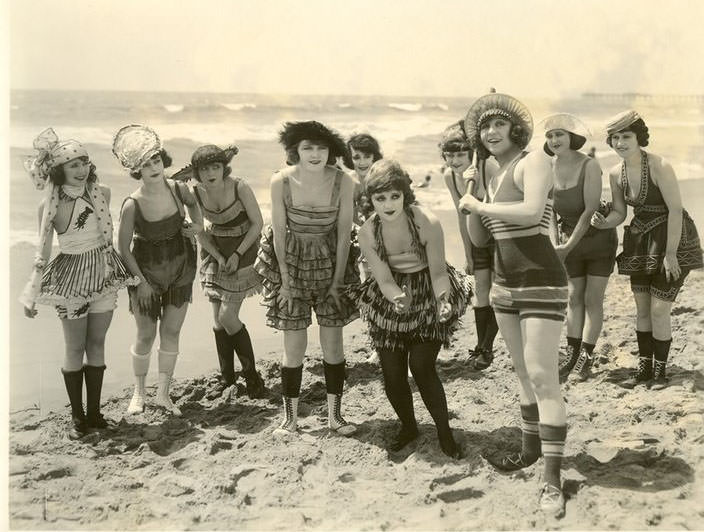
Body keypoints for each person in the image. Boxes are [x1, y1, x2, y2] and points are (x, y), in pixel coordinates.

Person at [459, 92, 569, 518]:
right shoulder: (490, 173)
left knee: (544, 376)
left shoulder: (532, 160)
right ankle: (528, 452)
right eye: (485, 127)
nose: (490, 132)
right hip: (503, 282)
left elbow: (530, 211)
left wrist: (480, 203)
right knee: (522, 372)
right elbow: (481, 237)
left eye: (499, 125)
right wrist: (468, 200)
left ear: (515, 129)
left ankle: (553, 482)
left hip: (541, 278)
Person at [20, 128, 138, 439]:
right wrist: (31, 293)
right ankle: (78, 417)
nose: (82, 169)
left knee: (96, 344)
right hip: (70, 278)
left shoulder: (103, 193)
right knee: (75, 346)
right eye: (73, 164)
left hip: (102, 273)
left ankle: (96, 414)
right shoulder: (49, 206)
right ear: (59, 171)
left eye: (85, 162)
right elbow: (43, 249)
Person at [355, 159, 472, 458]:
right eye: (380, 198)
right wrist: (396, 297)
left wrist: (443, 302)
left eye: (395, 196)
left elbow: (438, 273)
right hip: (391, 292)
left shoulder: (425, 221)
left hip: (429, 288)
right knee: (392, 373)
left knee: (421, 366)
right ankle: (409, 426)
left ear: (406, 194)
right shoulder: (368, 232)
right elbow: (381, 278)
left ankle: (445, 433)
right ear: (371, 201)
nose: (389, 203)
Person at [254, 121, 360, 436]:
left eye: (321, 148)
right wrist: (285, 281)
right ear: (295, 151)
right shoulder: (281, 181)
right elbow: (279, 236)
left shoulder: (345, 181)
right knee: (294, 346)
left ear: (331, 152)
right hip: (291, 262)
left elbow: (344, 236)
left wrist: (338, 281)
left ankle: (335, 418)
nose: (315, 154)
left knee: (333, 346)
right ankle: (290, 420)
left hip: (332, 261)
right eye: (307, 148)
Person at [592, 110, 703, 390]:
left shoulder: (659, 165)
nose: (620, 143)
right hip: (641, 242)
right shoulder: (616, 173)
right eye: (615, 138)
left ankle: (660, 373)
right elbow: (619, 212)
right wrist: (604, 223)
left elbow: (676, 210)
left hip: (672, 238)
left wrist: (670, 254)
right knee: (641, 310)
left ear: (639, 137)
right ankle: (644, 371)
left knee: (658, 309)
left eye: (626, 136)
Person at [114, 124, 202, 416]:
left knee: (172, 331)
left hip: (181, 267)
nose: (152, 167)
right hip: (146, 272)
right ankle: (139, 394)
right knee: (146, 335)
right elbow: (124, 248)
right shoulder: (132, 204)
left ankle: (164, 395)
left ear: (163, 161)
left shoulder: (178, 189)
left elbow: (194, 206)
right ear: (136, 170)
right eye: (145, 164)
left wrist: (197, 227)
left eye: (156, 160)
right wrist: (140, 282)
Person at [172, 144, 264, 399]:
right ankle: (227, 378)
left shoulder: (239, 186)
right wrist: (220, 256)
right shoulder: (196, 193)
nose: (211, 173)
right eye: (205, 169)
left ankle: (253, 377)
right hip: (215, 250)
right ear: (197, 173)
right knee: (217, 320)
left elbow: (258, 223)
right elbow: (201, 231)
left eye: (216, 166)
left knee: (227, 317)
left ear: (224, 168)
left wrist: (235, 255)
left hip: (244, 248)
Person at [541, 114, 618, 382]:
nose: (554, 140)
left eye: (559, 134)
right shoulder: (547, 166)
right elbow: (549, 210)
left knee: (592, 300)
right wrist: (554, 243)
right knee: (573, 298)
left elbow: (588, 212)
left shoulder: (589, 165)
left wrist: (568, 245)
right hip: (566, 239)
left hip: (597, 239)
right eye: (550, 136)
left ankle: (585, 358)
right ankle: (572, 355)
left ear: (572, 137)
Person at [440, 120, 499, 371]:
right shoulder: (450, 177)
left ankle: (485, 348)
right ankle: (482, 345)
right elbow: (461, 216)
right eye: (449, 155)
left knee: (500, 293)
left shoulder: (488, 167)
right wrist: (468, 252)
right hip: (477, 239)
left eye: (460, 154)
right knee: (481, 290)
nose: (454, 160)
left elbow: (498, 206)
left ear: (472, 152)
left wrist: (476, 186)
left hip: (499, 234)